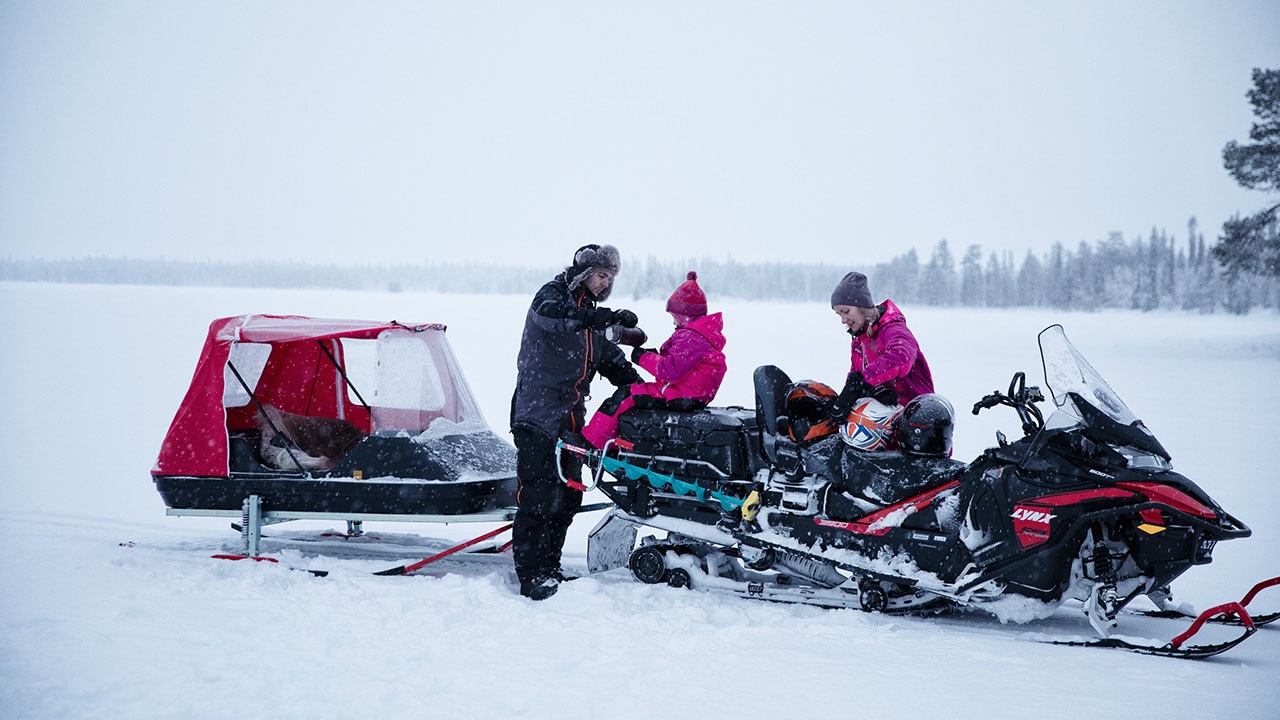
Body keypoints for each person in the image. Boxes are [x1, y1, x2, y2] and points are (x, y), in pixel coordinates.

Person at [509, 244, 643, 600]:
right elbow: (555, 315)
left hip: (570, 422)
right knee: (537, 497)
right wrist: (598, 318)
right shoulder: (552, 297)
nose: (604, 283)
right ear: (585, 273)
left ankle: (550, 565)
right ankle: (531, 574)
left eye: (610, 278)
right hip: (536, 416)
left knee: (567, 497)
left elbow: (610, 359)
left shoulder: (589, 321)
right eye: (601, 275)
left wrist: (644, 389)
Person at [581, 271, 727, 448]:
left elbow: (670, 370)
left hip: (680, 394)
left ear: (684, 315)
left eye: (674, 316)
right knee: (637, 398)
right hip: (693, 395)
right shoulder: (704, 335)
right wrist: (656, 356)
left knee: (624, 395)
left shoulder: (690, 336)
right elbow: (681, 365)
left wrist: (642, 357)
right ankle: (619, 446)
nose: (673, 322)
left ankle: (590, 443)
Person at [828, 271, 935, 420]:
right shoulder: (859, 342)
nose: (843, 320)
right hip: (883, 425)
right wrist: (845, 400)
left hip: (916, 422)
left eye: (846, 311)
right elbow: (855, 382)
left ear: (862, 307)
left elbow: (902, 356)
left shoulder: (893, 329)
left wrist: (863, 380)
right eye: (839, 314)